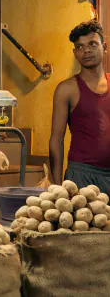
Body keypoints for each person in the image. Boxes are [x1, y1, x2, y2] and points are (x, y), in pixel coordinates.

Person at [49, 19, 110, 195]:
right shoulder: (67, 89)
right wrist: (57, 186)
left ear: (104, 46)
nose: (86, 51)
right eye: (79, 47)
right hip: (82, 176)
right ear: (74, 52)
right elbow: (56, 139)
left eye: (92, 44)